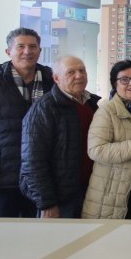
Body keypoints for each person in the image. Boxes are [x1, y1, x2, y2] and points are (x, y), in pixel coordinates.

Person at [0, 27, 54, 217]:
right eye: (20, 46)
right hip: (3, 178)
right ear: (8, 51)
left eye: (33, 46)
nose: (27, 51)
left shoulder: (52, 83)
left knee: (40, 238)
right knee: (2, 237)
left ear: (40, 50)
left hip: (42, 178)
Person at [20, 55, 101, 218]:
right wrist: (47, 203)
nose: (79, 75)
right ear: (56, 78)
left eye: (82, 70)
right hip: (60, 199)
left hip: (91, 192)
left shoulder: (94, 103)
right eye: (71, 72)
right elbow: (32, 161)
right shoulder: (44, 109)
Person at [82, 60, 131, 219]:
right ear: (114, 84)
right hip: (111, 193)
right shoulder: (106, 111)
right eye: (124, 79)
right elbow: (96, 150)